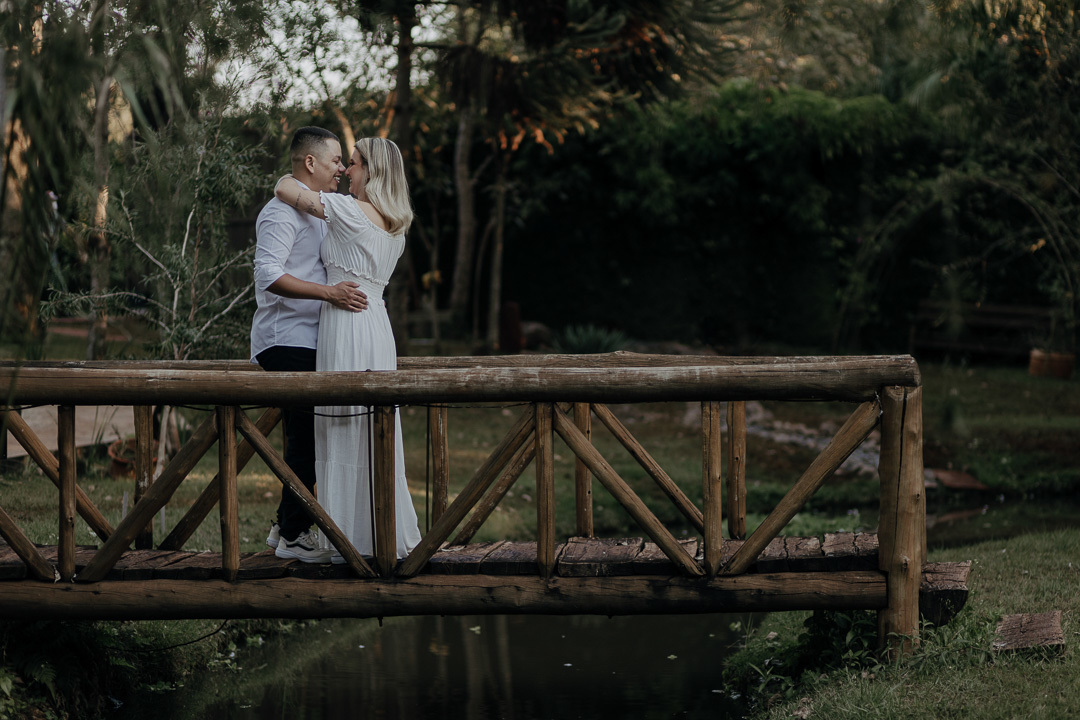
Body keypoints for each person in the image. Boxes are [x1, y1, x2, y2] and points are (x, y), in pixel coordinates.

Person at [274, 137, 422, 562]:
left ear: (371, 172)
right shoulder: (397, 225)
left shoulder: (349, 210)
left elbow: (284, 187)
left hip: (345, 325)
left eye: (353, 164)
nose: (345, 171)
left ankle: (344, 539)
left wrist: (299, 171)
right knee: (372, 430)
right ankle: (375, 535)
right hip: (376, 326)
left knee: (339, 426)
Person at [251, 127, 369, 564]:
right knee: (307, 439)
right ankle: (293, 535)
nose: (341, 168)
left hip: (310, 341)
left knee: (310, 437)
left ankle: (285, 526)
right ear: (310, 163)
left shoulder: (317, 210)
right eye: (336, 160)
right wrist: (330, 294)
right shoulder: (279, 214)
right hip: (285, 339)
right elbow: (267, 275)